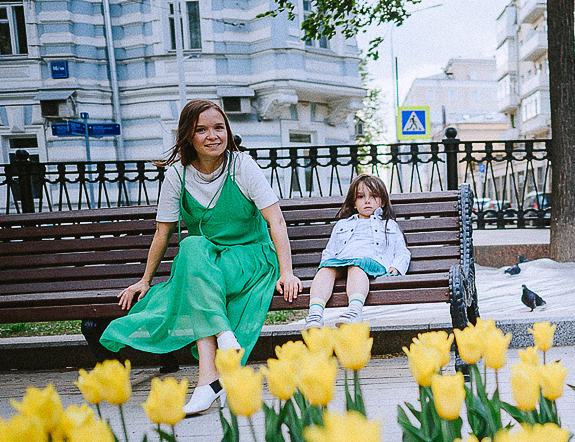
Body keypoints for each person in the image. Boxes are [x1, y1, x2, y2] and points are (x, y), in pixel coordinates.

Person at [100, 100, 301, 415]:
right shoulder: (177, 175)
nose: (213, 136)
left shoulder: (242, 166)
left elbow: (276, 221)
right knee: (192, 246)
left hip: (249, 259)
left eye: (219, 127)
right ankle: (219, 350)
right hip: (205, 263)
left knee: (196, 279)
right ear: (188, 136)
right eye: (201, 129)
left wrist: (286, 272)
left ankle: (207, 379)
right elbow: (163, 232)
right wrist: (145, 280)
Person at [304, 174, 410, 327]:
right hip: (342, 260)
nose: (367, 201)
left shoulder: (388, 225)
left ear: (383, 201)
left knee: (357, 267)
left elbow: (402, 251)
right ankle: (315, 314)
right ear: (354, 203)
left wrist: (397, 266)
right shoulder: (342, 224)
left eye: (373, 196)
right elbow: (330, 250)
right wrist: (326, 264)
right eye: (361, 197)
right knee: (325, 269)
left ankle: (354, 311)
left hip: (371, 262)